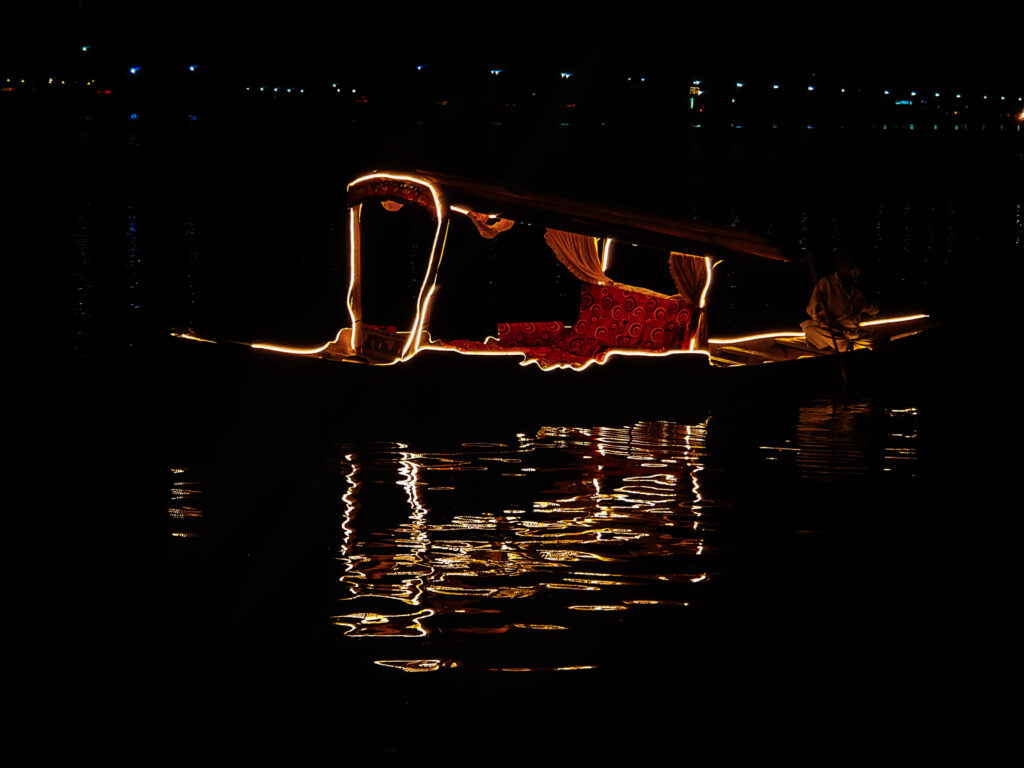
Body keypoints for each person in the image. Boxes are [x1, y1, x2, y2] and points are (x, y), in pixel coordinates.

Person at [801, 252, 879, 352]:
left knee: (873, 339)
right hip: (831, 330)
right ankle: (845, 347)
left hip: (852, 332)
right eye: (848, 266)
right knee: (811, 331)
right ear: (841, 266)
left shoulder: (859, 286)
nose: (853, 270)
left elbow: (873, 311)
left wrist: (865, 300)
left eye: (854, 266)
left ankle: (844, 347)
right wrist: (821, 316)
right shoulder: (826, 283)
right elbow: (812, 310)